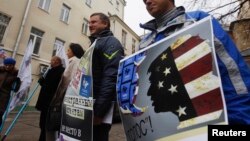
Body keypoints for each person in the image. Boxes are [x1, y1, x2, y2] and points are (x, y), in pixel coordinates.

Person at [140, 0, 250, 124]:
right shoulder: (144, 44)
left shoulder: (198, 20)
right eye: (144, 0)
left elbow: (233, 74)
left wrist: (240, 121)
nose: (147, 2)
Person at [88, 12, 124, 141]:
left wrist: (99, 112)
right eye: (89, 22)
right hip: (88, 104)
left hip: (98, 109)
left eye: (94, 22)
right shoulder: (95, 43)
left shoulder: (111, 43)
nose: (90, 25)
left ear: (105, 24)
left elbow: (111, 77)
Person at [46, 43, 84, 141]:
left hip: (67, 98)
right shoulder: (71, 62)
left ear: (74, 51)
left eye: (68, 50)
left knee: (63, 128)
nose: (67, 53)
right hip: (65, 97)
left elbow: (72, 81)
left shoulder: (76, 61)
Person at [35, 56, 65, 141]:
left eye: (51, 60)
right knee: (42, 123)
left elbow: (53, 86)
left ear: (56, 62)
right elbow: (47, 84)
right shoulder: (51, 70)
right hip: (44, 102)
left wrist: (45, 83)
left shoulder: (61, 71)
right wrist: (42, 81)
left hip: (50, 103)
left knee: (46, 124)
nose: (50, 62)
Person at [0, 58, 21, 127]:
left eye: (10, 65)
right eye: (6, 65)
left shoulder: (15, 75)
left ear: (13, 65)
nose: (7, 67)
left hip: (3, 98)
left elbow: (15, 89)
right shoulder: (0, 71)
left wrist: (18, 82)